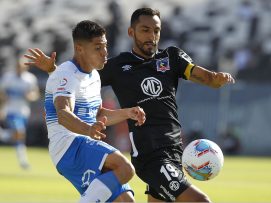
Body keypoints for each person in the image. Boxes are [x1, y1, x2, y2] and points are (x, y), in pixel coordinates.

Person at [24, 8, 235, 202]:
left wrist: (218, 78)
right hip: (149, 156)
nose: (151, 36)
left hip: (174, 152)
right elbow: (73, 76)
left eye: (156, 30)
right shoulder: (117, 66)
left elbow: (207, 78)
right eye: (145, 30)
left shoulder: (171, 57)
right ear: (131, 32)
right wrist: (55, 71)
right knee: (198, 200)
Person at [25, 20, 146, 202]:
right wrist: (88, 129)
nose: (105, 52)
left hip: (81, 147)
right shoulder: (66, 74)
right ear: (80, 49)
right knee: (125, 168)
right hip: (69, 146)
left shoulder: (94, 76)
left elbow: (97, 115)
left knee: (126, 200)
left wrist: (127, 113)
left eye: (105, 46)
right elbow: (63, 114)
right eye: (98, 48)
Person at [0, 57, 40, 169]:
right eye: (18, 66)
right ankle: (23, 161)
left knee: (19, 137)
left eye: (21, 66)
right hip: (10, 110)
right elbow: (1, 92)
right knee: (19, 131)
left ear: (25, 67)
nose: (19, 68)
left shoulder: (30, 79)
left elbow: (35, 93)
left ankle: (4, 136)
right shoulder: (8, 77)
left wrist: (30, 96)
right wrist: (2, 107)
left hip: (23, 111)